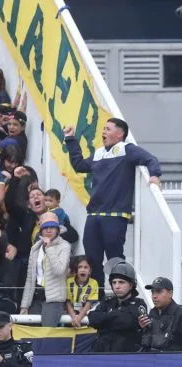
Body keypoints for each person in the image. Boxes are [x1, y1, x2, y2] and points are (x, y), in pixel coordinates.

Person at [64, 119, 162, 287]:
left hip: (115, 215)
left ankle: (122, 296)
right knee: (92, 260)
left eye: (108, 129)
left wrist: (155, 175)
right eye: (103, 128)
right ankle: (98, 298)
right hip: (93, 216)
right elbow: (79, 165)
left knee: (115, 259)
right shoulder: (99, 153)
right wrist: (70, 139)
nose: (103, 131)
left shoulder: (128, 150)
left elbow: (150, 159)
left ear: (120, 134)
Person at [19, 212, 71, 327]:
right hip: (36, 297)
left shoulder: (65, 246)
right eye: (45, 227)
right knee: (31, 331)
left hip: (54, 299)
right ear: (41, 230)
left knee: (47, 332)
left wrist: (49, 248)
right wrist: (24, 304)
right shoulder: (35, 248)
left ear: (58, 230)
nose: (48, 230)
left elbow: (59, 270)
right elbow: (30, 278)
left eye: (52, 227)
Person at [89, 259, 148, 353]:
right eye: (114, 282)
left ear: (131, 285)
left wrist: (105, 320)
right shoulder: (107, 302)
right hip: (101, 354)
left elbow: (127, 322)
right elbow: (93, 318)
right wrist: (116, 316)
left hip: (124, 357)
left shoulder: (139, 304)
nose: (117, 286)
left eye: (121, 282)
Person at [140, 277, 182, 352]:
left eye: (159, 291)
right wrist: (142, 329)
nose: (154, 296)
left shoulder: (179, 313)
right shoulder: (152, 313)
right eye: (152, 292)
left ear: (170, 294)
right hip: (152, 360)